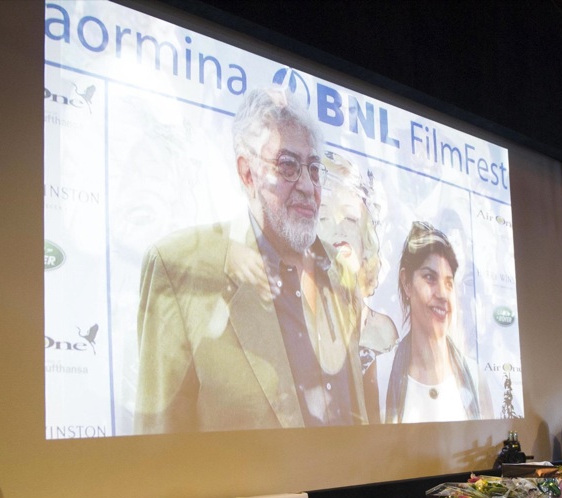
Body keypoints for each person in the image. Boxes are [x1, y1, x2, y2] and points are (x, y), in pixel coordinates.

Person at [134, 87, 368, 432]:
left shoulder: (341, 275)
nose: (307, 185)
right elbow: (159, 449)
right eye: (288, 166)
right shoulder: (178, 268)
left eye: (314, 169)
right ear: (248, 173)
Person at [317, 150, 397, 423]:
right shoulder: (299, 332)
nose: (338, 229)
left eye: (350, 218)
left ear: (367, 236)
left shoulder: (386, 335)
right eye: (324, 218)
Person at [383, 221, 492, 423]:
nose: (442, 294)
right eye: (429, 277)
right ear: (406, 282)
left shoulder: (476, 380)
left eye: (449, 283)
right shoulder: (380, 374)